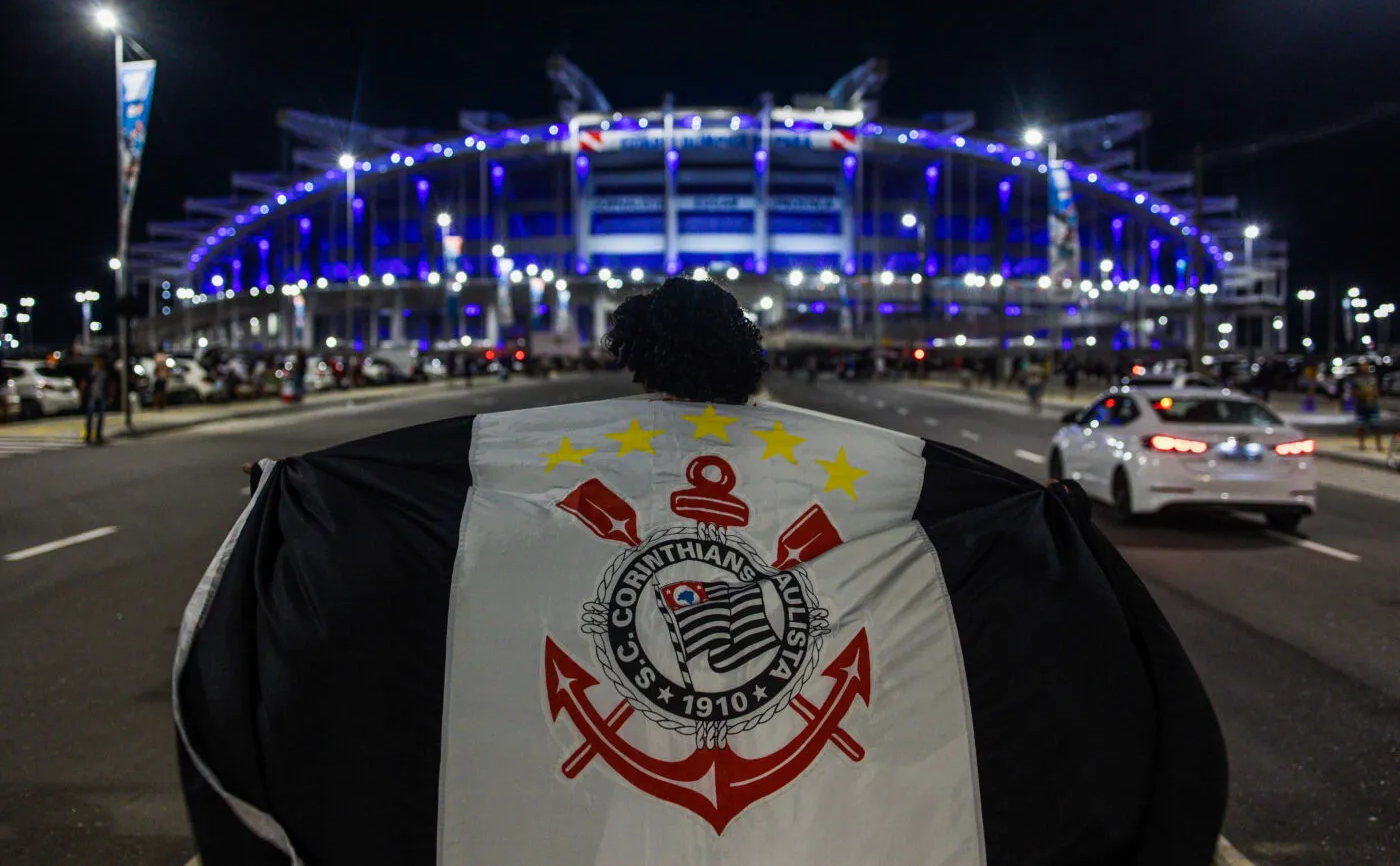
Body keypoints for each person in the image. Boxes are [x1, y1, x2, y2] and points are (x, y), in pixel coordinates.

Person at [176, 278, 1226, 866]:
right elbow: (1009, 539)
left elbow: (424, 539)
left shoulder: (518, 464)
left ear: (636, 360)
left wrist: (296, 491)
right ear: (750, 359)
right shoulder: (884, 478)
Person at [1352, 360, 1384, 452]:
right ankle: (1361, 444)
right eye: (1362, 366)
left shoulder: (1373, 378)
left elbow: (1377, 391)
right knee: (1361, 426)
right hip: (1361, 405)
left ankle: (1378, 444)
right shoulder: (1356, 379)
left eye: (1366, 366)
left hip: (1372, 405)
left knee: (1376, 426)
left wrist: (1374, 393)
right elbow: (1353, 393)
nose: (1364, 368)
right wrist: (1361, 393)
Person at [83, 355, 110, 445]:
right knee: (90, 416)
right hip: (92, 395)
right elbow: (85, 382)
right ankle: (89, 434)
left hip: (101, 395)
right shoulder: (91, 371)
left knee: (100, 417)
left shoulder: (104, 372)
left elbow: (108, 384)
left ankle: (98, 435)